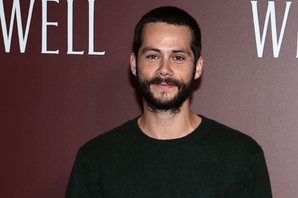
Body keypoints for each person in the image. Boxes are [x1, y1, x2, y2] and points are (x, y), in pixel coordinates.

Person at [66, 6, 272, 198]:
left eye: (178, 57)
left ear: (198, 67)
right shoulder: (95, 159)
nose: (164, 69)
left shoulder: (241, 156)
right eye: (153, 56)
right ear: (134, 64)